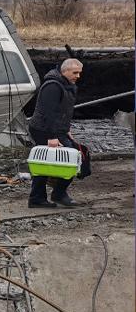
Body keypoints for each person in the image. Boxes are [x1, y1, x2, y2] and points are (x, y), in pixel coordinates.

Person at [27, 58, 89, 208]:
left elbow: (63, 111)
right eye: (75, 73)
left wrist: (67, 130)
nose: (78, 76)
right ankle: (42, 197)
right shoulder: (53, 86)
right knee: (49, 162)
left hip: (57, 129)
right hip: (43, 129)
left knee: (77, 156)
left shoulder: (67, 85)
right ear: (64, 71)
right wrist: (52, 137)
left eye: (79, 73)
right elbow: (48, 113)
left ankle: (54, 194)